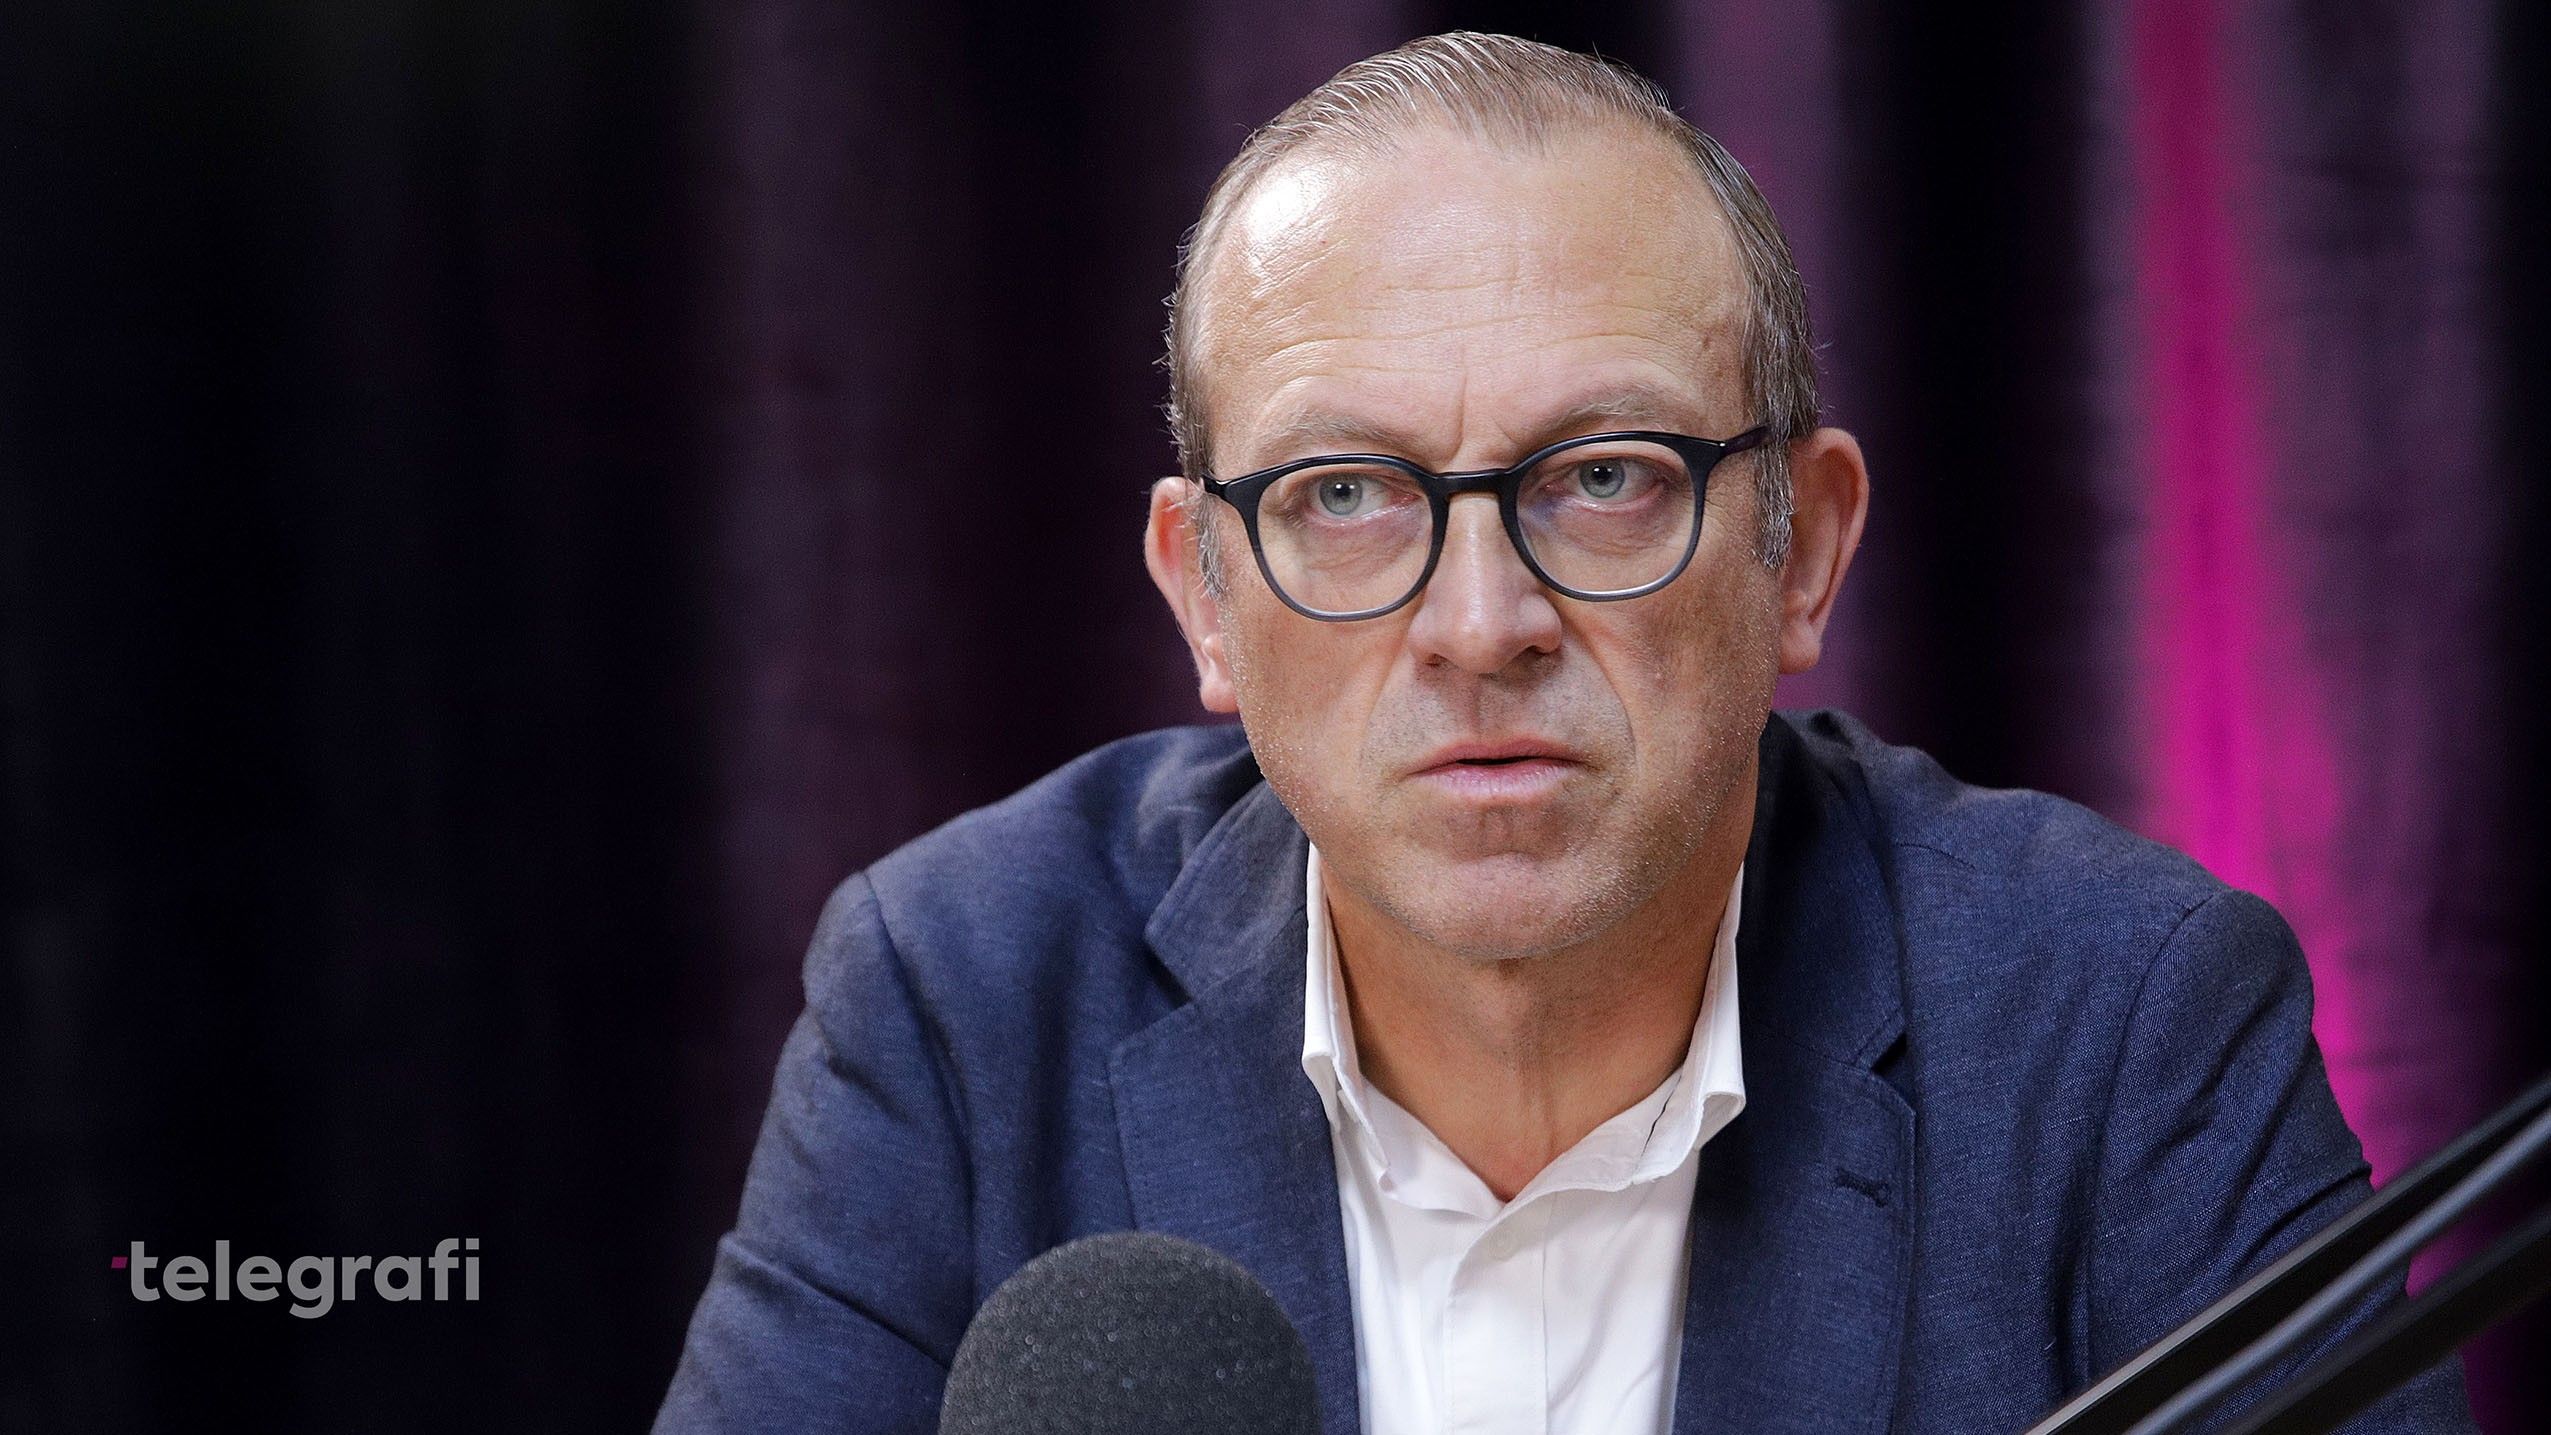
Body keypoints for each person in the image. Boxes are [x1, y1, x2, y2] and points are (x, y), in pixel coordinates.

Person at [654, 32, 2476, 1435]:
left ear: (1803, 553)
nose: (1479, 625)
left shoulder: (2123, 1020)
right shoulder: (963, 1003)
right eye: (1346, 494)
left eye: (1605, 479)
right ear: (1205, 594)